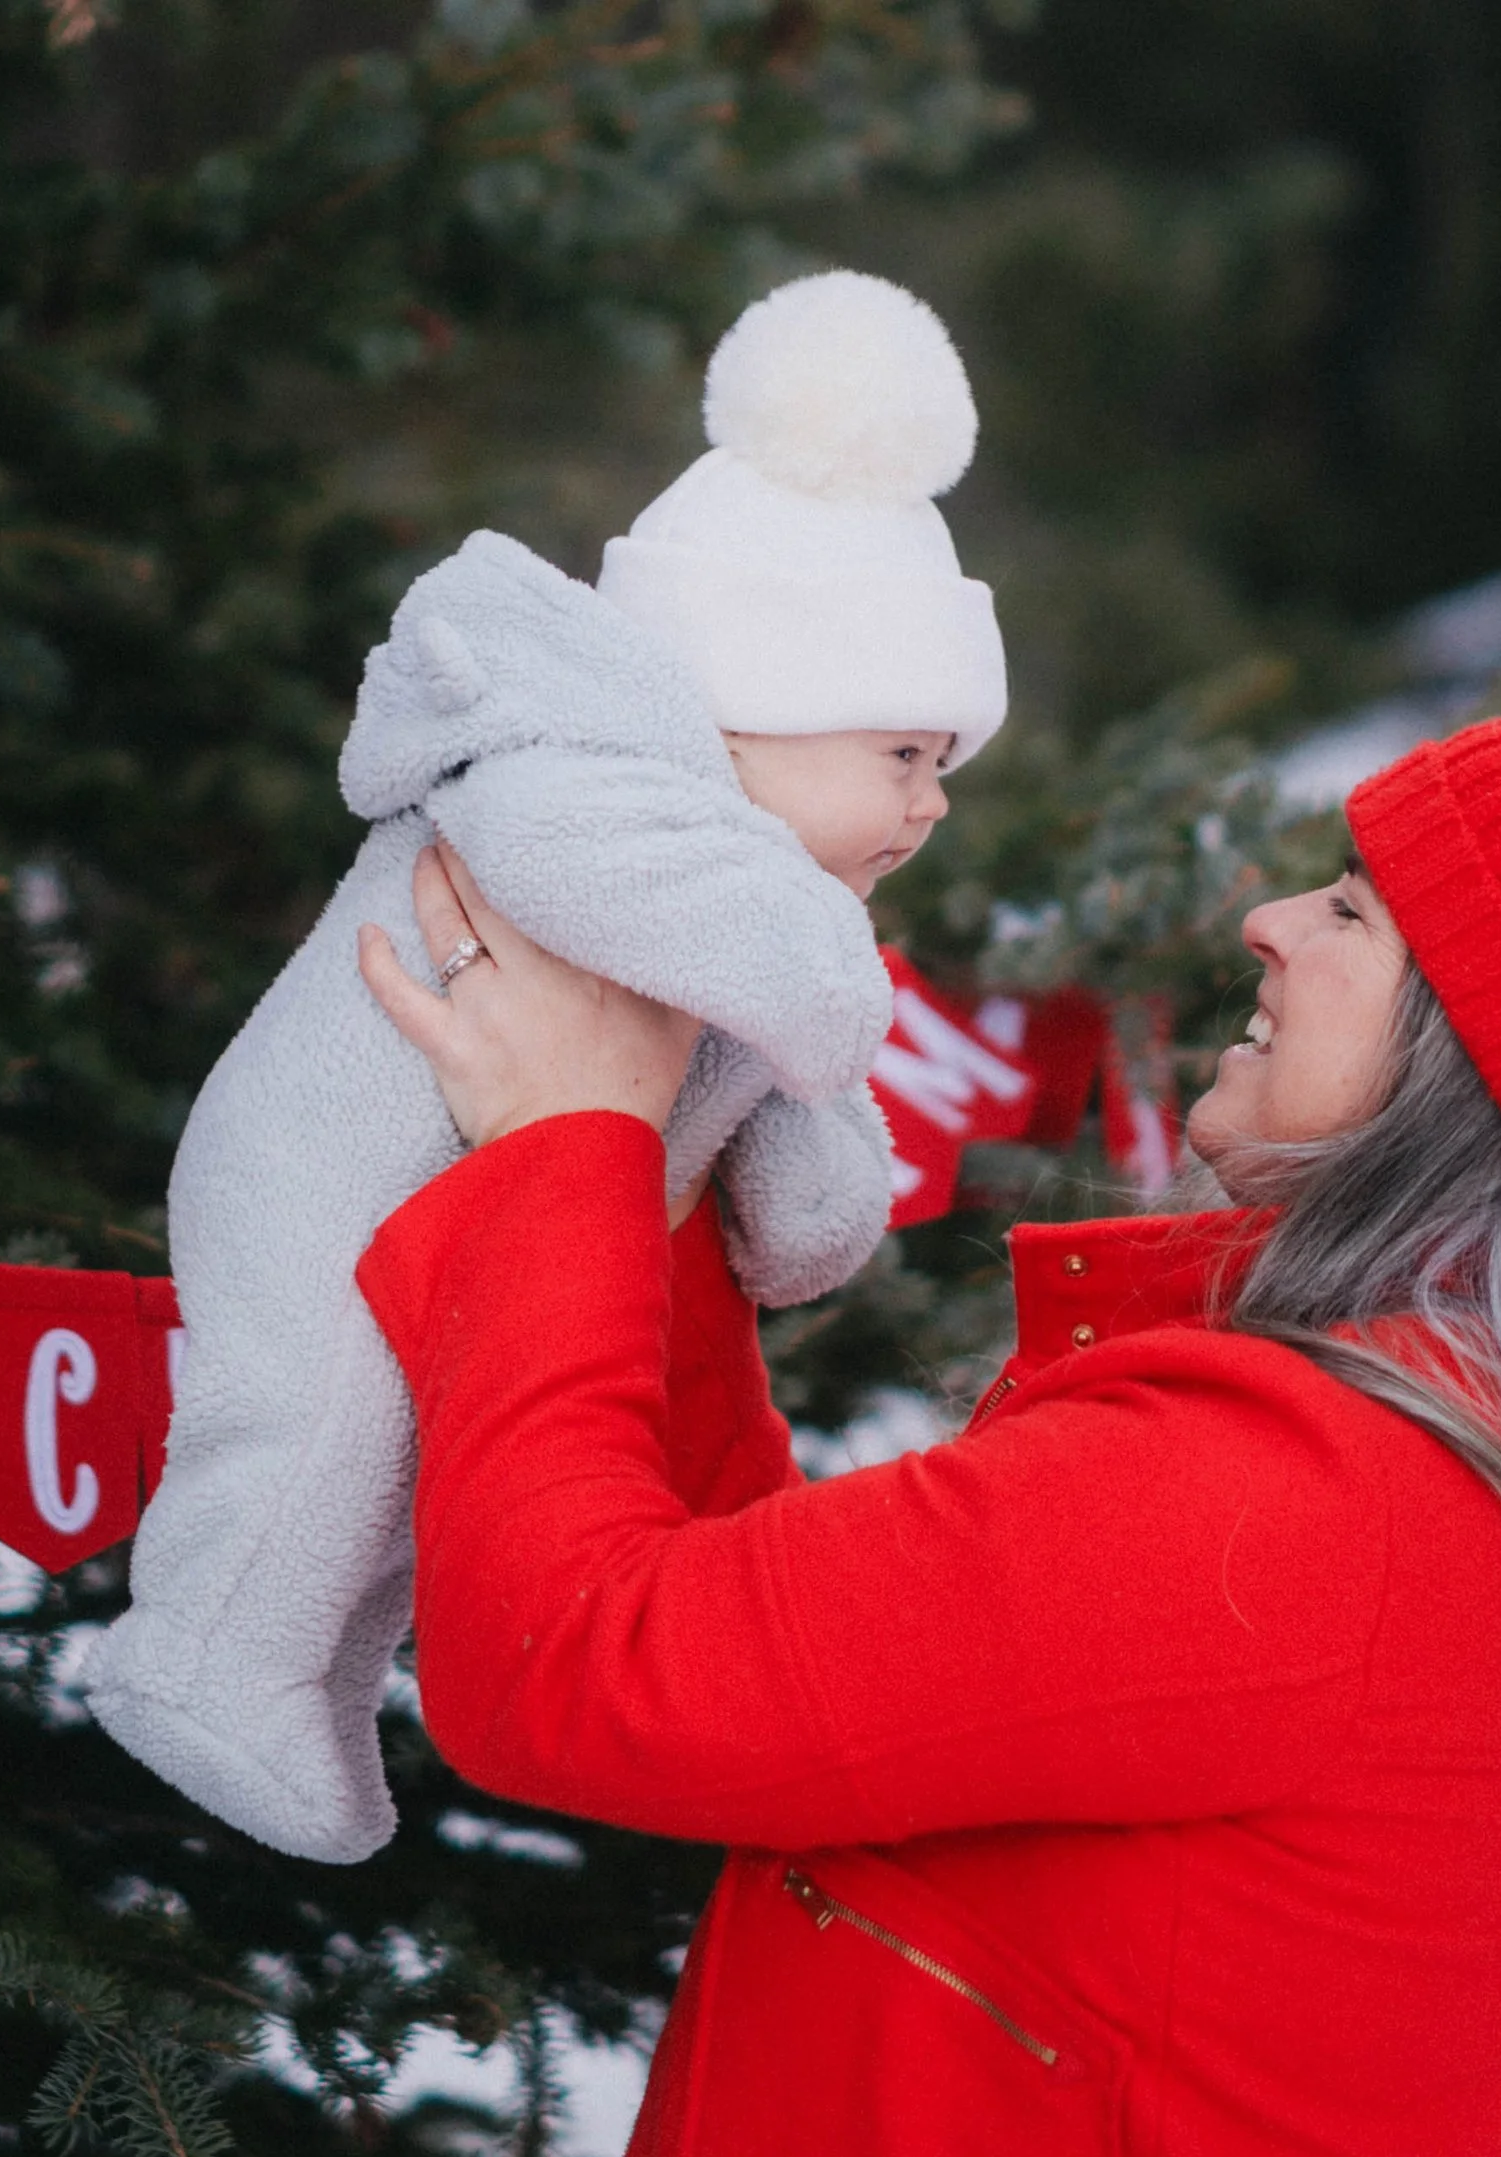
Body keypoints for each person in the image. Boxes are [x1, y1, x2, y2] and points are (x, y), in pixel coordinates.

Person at [355, 699, 1501, 2157]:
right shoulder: (1443, 1487)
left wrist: (566, 1148)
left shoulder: (1312, 1503)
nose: (1267, 922)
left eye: (1351, 912)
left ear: (1474, 1067)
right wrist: (645, 1177)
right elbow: (784, 1688)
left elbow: (579, 1656)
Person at [87, 267, 1006, 1865]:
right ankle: (205, 1658)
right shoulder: (570, 772)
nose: (930, 808)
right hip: (322, 1178)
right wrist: (822, 982)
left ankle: (314, 1680)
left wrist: (815, 1158)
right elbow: (633, 904)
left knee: (395, 1489)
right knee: (322, 1429)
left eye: (943, 765)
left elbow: (789, 1192)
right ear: (756, 706)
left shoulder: (740, 913)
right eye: (904, 755)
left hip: (461, 1212)